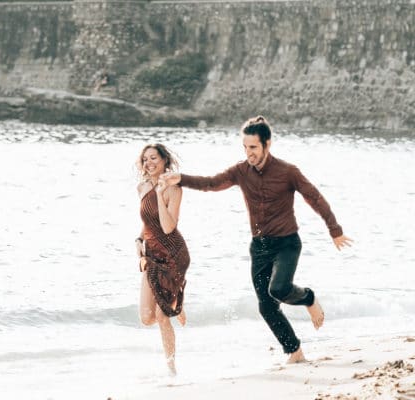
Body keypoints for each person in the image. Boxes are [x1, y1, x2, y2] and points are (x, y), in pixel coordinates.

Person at [159, 116, 353, 363]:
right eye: (245, 147)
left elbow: (314, 197)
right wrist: (182, 179)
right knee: (266, 307)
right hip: (260, 248)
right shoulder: (241, 171)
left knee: (279, 289)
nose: (248, 153)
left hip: (287, 244)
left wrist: (334, 230)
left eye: (253, 147)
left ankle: (309, 298)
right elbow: (212, 183)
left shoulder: (287, 172)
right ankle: (294, 352)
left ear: (267, 145)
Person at [135, 143, 190, 375]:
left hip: (173, 254)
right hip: (151, 253)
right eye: (145, 159)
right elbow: (148, 220)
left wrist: (159, 191)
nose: (149, 163)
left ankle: (171, 369)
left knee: (161, 315)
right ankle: (175, 304)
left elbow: (168, 227)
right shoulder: (141, 186)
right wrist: (138, 240)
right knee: (147, 318)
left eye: (154, 158)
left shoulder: (174, 190)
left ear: (165, 160)